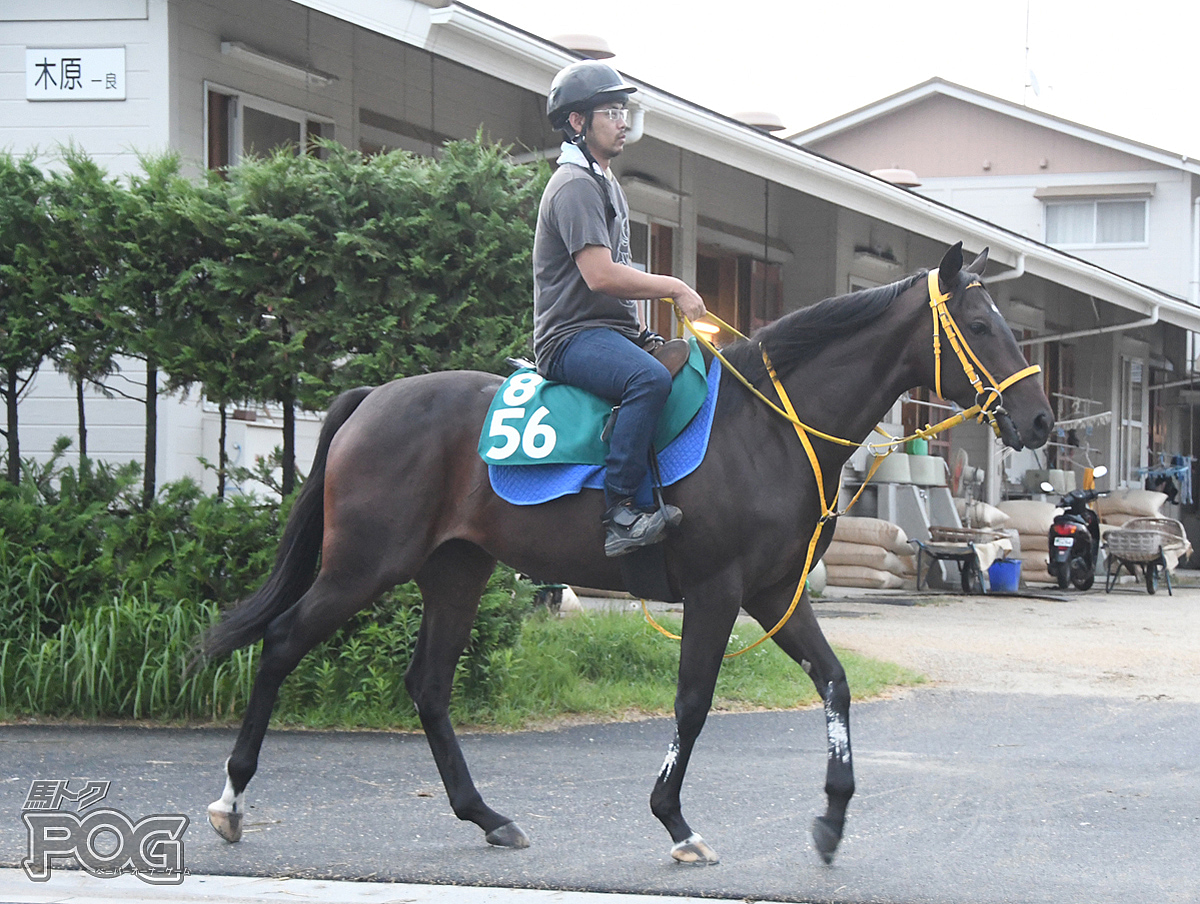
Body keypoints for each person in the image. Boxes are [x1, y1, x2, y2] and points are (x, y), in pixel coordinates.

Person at [533, 59, 707, 557]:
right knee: (647, 380)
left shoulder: (605, 182)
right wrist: (674, 286)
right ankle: (620, 512)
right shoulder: (573, 185)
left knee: (691, 366)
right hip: (569, 338)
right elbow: (602, 276)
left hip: (610, 334)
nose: (623, 121)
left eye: (624, 110)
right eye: (611, 111)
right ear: (577, 122)